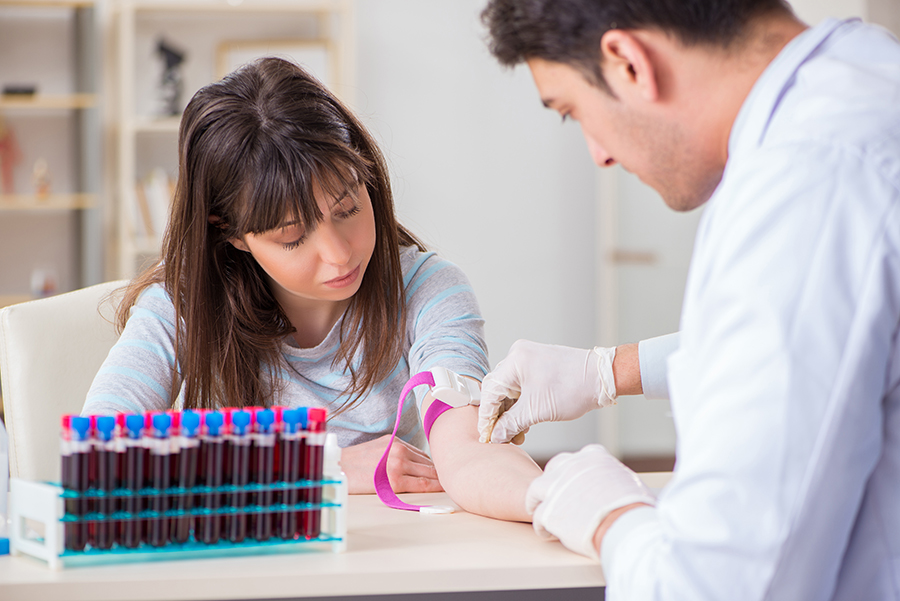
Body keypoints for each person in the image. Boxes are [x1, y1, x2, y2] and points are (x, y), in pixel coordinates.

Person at [479, 0, 900, 598]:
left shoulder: (807, 187)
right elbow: (840, 339)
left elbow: (719, 587)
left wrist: (607, 516)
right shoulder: (868, 74)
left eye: (572, 111)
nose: (598, 153)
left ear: (627, 62)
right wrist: (608, 370)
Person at [83, 57, 540, 520]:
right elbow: (100, 454)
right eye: (292, 236)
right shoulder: (184, 306)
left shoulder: (429, 291)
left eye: (347, 209)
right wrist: (323, 464)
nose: (339, 254)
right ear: (232, 233)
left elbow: (466, 450)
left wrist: (577, 505)